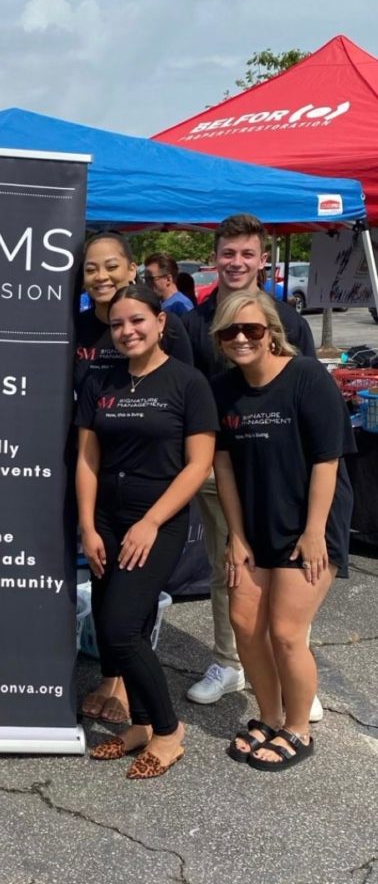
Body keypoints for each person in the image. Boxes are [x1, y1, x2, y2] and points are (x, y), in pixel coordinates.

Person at [76, 284, 217, 778]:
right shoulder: (101, 381)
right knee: (115, 630)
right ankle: (139, 725)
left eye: (137, 320)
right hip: (106, 521)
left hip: (157, 522)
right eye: (117, 324)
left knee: (121, 629)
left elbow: (198, 465)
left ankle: (168, 731)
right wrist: (88, 524)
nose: (127, 331)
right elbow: (87, 459)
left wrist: (151, 522)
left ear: (160, 322)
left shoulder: (188, 383)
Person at [181, 214, 319, 711]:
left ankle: (293, 673)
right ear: (214, 258)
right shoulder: (192, 324)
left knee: (292, 571)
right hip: (218, 471)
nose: (236, 262)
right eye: (228, 253)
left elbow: (309, 398)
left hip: (282, 473)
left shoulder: (288, 319)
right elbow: (184, 398)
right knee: (231, 569)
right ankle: (229, 662)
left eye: (246, 254)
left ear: (263, 260)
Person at [211, 290, 352, 770]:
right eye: (230, 331)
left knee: (287, 633)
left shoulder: (306, 377)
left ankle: (298, 728)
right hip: (255, 522)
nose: (242, 338)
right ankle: (269, 717)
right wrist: (236, 535)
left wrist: (314, 533)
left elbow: (328, 460)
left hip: (309, 522)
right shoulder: (223, 389)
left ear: (272, 332)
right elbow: (223, 467)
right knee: (245, 624)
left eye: (252, 329)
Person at [74, 231, 193, 724]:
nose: (101, 276)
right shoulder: (78, 329)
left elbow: (184, 414)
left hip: (153, 487)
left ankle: (131, 692)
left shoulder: (170, 339)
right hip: (97, 475)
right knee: (106, 590)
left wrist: (157, 511)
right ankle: (113, 678)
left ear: (130, 269)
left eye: (110, 266)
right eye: (90, 268)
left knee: (129, 601)